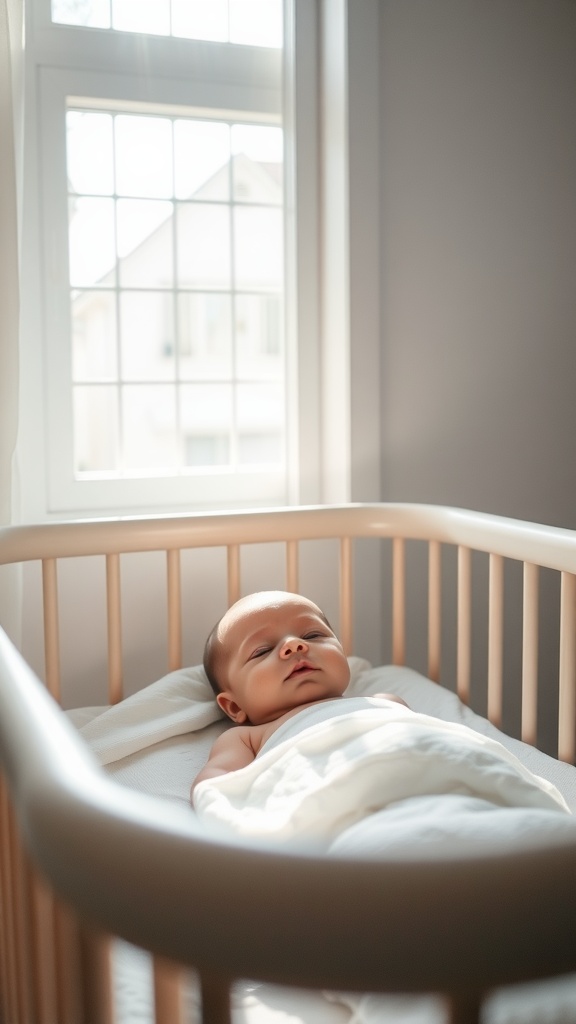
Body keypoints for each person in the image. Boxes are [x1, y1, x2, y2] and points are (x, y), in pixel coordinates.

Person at [191, 590, 407, 796]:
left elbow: (426, 739)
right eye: (262, 651)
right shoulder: (247, 738)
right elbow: (216, 783)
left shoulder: (382, 702)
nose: (294, 644)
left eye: (312, 635)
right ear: (234, 706)